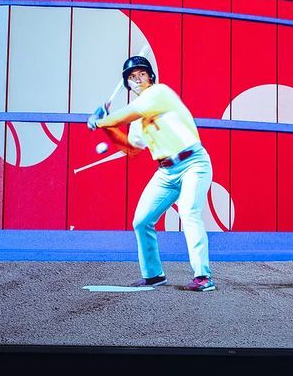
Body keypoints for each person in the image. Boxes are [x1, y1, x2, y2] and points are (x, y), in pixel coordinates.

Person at [88, 55, 216, 292]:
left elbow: (128, 113)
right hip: (166, 172)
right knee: (141, 221)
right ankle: (154, 274)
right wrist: (108, 127)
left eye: (142, 74)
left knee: (188, 212)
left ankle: (203, 277)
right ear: (127, 84)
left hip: (193, 163)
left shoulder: (159, 92)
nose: (137, 79)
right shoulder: (138, 122)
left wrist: (100, 122)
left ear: (150, 77)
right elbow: (131, 148)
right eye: (132, 77)